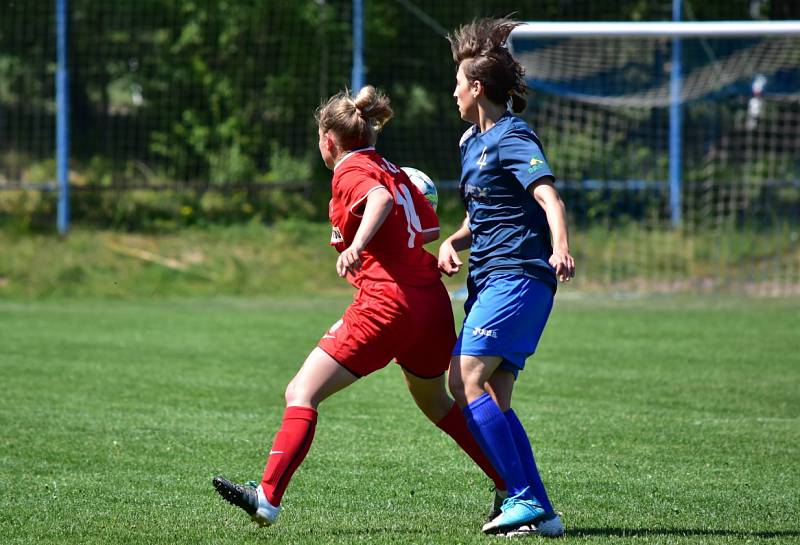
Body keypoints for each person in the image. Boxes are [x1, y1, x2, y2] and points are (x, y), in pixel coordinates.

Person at [212, 85, 505, 527]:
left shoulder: (349, 171)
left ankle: (267, 497)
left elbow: (382, 202)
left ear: (329, 140)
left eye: (318, 138)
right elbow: (422, 228)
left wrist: (359, 246)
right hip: (429, 304)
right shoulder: (391, 167)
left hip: (386, 305)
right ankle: (509, 484)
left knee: (301, 392)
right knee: (435, 401)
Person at [438, 17, 576, 538]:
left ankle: (519, 497)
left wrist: (560, 245)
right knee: (491, 395)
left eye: (456, 83)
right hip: (488, 280)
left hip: (518, 277)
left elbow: (546, 196)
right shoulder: (469, 144)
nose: (451, 92)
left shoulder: (515, 136)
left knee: (462, 378)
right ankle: (541, 510)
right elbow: (486, 212)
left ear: (476, 88)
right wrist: (454, 240)